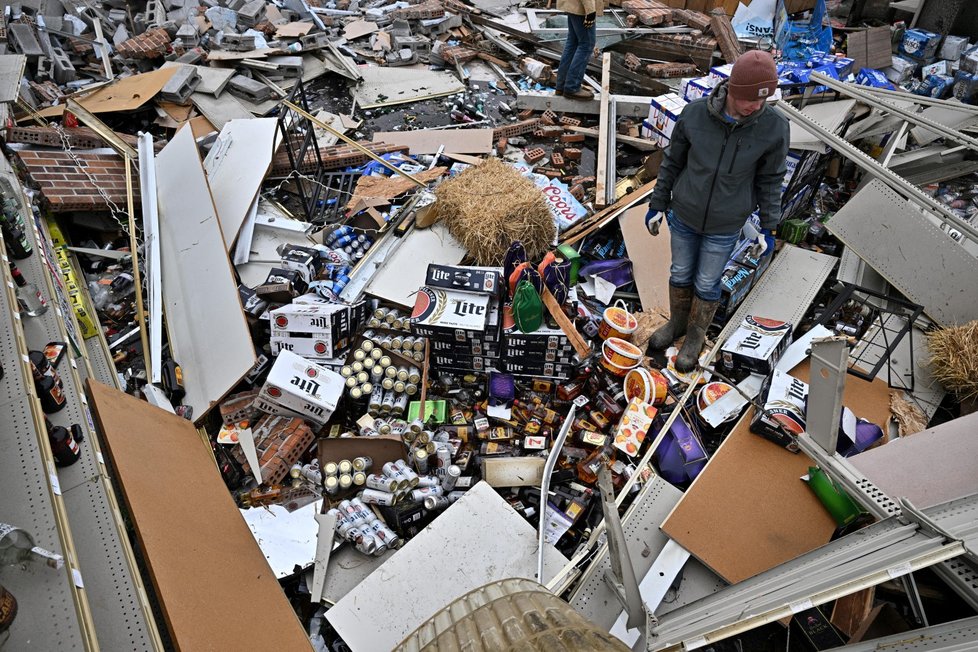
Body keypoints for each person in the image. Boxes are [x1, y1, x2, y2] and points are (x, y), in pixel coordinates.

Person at [644, 50, 789, 373]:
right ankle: (676, 325)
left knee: (707, 283)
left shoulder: (773, 127)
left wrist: (769, 227)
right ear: (733, 90)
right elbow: (672, 162)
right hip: (684, 214)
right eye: (751, 99)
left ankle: (695, 336)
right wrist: (657, 204)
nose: (756, 106)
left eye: (763, 100)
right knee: (680, 273)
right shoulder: (695, 115)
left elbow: (771, 180)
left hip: (725, 224)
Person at [554, 0, 599, 100]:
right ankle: (572, 87)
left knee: (573, 43)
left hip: (573, 5)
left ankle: (562, 85)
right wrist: (590, 10)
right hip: (581, 8)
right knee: (586, 45)